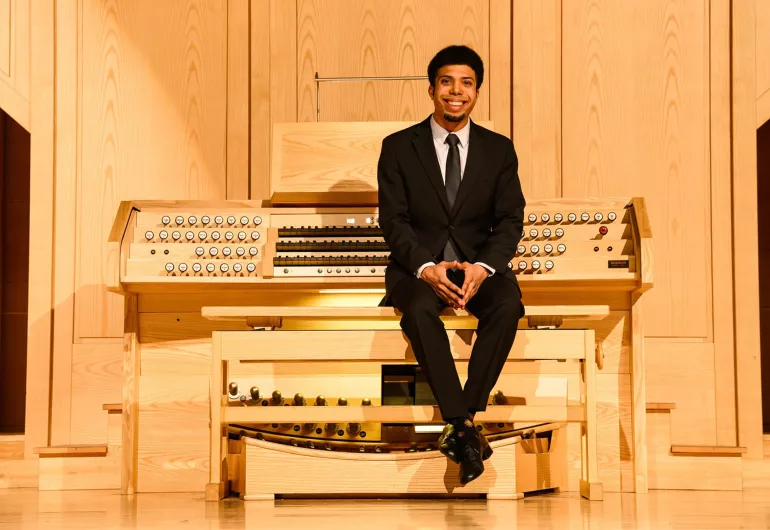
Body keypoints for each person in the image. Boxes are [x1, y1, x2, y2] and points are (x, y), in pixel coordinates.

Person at [377, 45, 526, 485]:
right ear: (431, 89)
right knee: (420, 312)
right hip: (417, 268)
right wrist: (425, 267)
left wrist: (483, 267)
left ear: (476, 91)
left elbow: (510, 219)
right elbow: (394, 220)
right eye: (446, 82)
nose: (455, 92)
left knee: (507, 307)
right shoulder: (399, 146)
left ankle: (463, 420)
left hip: (476, 266)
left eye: (466, 83)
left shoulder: (499, 150)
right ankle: (463, 426)